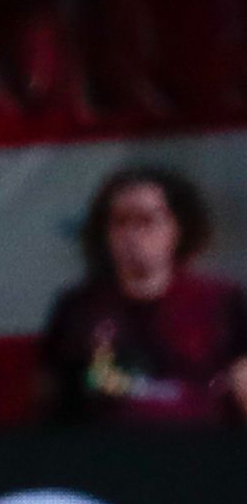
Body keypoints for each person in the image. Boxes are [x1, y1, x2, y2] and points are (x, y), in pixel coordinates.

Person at [37, 164, 247, 428]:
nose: (133, 235)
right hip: (106, 456)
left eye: (147, 220)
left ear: (177, 228)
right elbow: (53, 402)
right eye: (121, 222)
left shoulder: (220, 301)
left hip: (200, 453)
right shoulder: (79, 309)